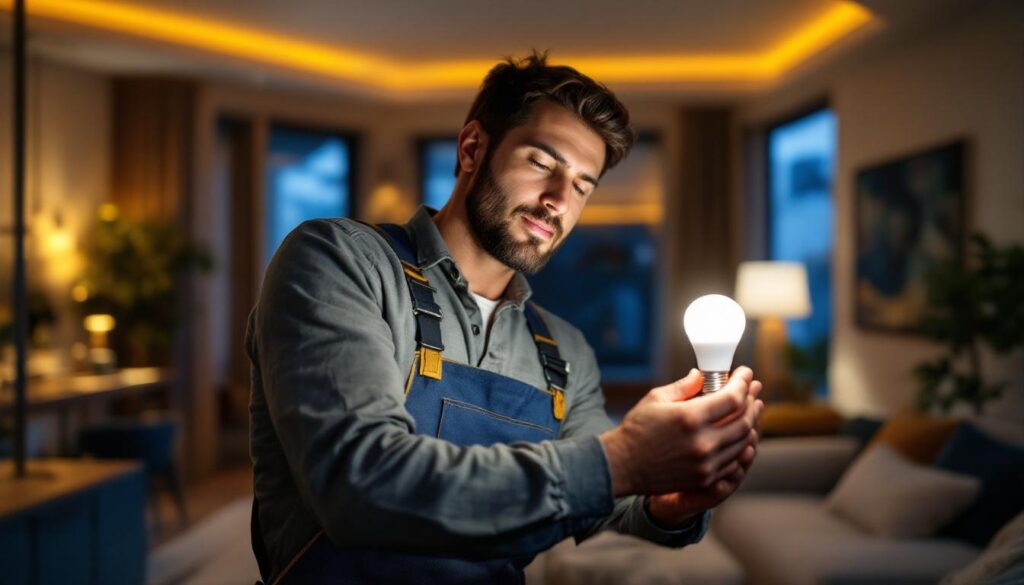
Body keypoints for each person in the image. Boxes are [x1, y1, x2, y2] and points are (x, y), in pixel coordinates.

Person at [247, 51, 763, 585]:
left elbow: (605, 503)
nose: (558, 200)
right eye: (542, 163)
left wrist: (669, 502)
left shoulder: (564, 350)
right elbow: (360, 487)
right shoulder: (340, 262)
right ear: (473, 148)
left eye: (582, 186)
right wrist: (624, 458)